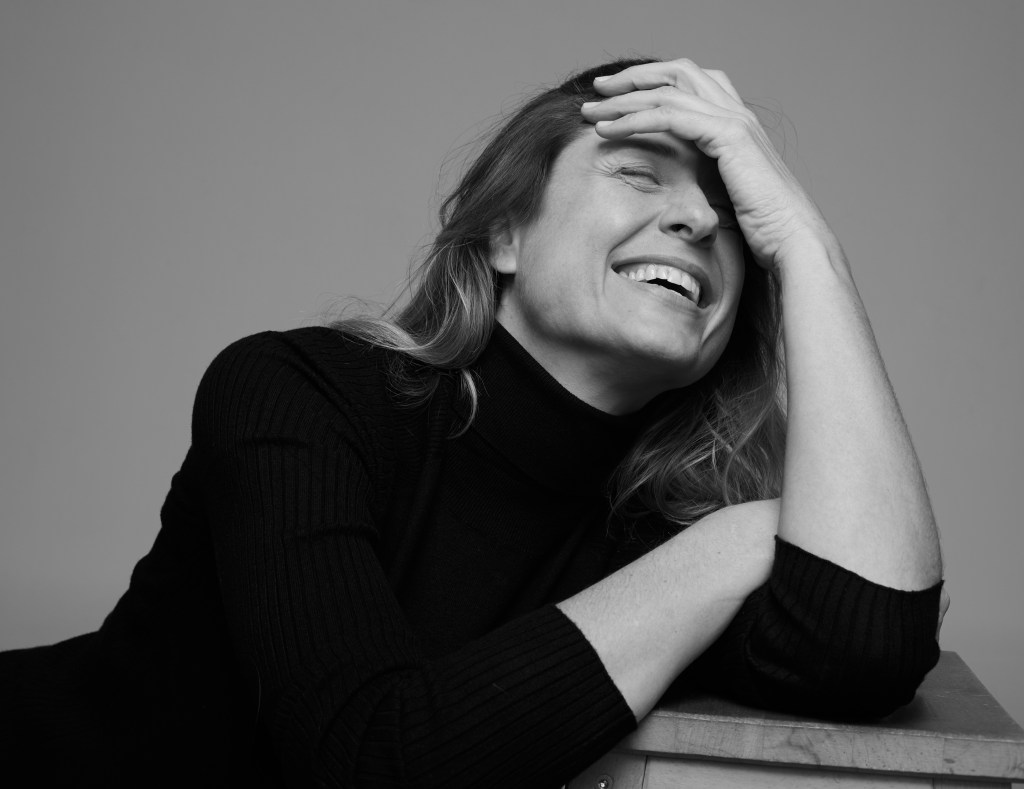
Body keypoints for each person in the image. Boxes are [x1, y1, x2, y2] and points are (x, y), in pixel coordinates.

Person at [0, 57, 946, 788]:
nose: (701, 221)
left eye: (736, 215)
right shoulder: (297, 391)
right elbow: (369, 762)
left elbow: (869, 648)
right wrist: (741, 539)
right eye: (638, 173)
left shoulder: (652, 537)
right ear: (504, 232)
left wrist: (809, 248)